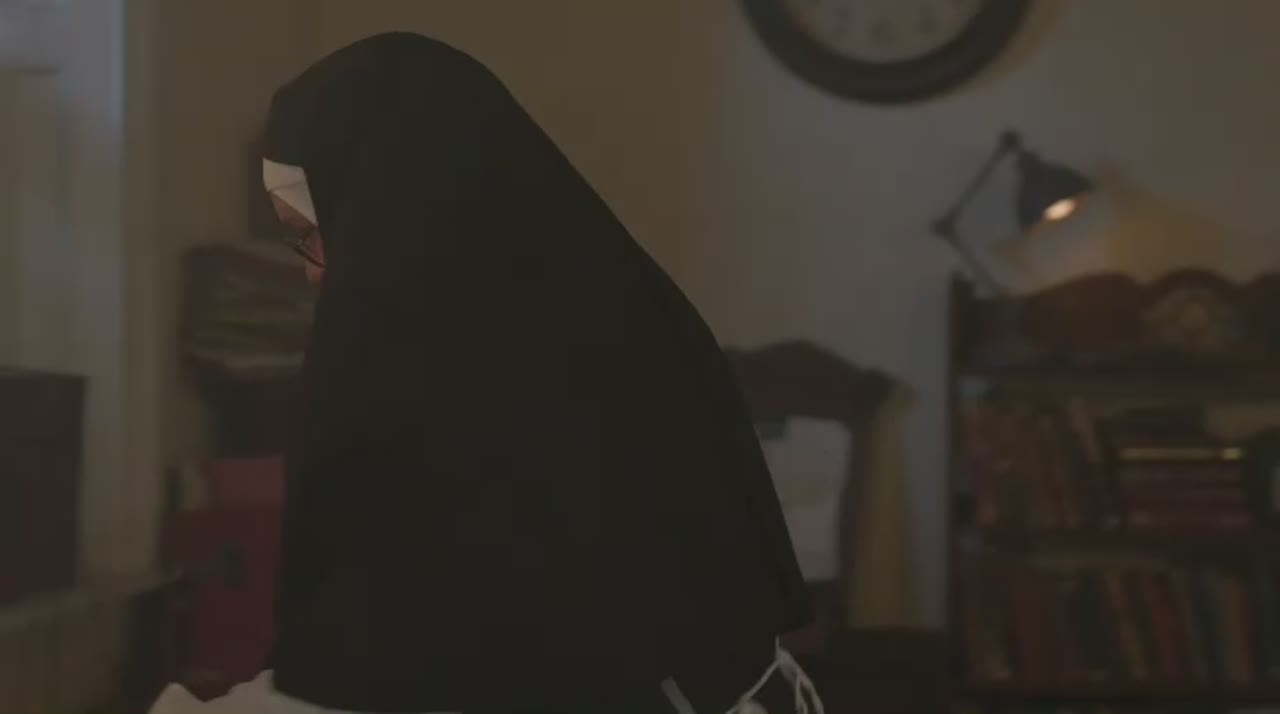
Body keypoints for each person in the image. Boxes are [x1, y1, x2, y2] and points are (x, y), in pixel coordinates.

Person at [151, 32, 820, 714]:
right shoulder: (628, 315)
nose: (314, 272)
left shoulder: (409, 375)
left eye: (315, 231)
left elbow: (385, 665)